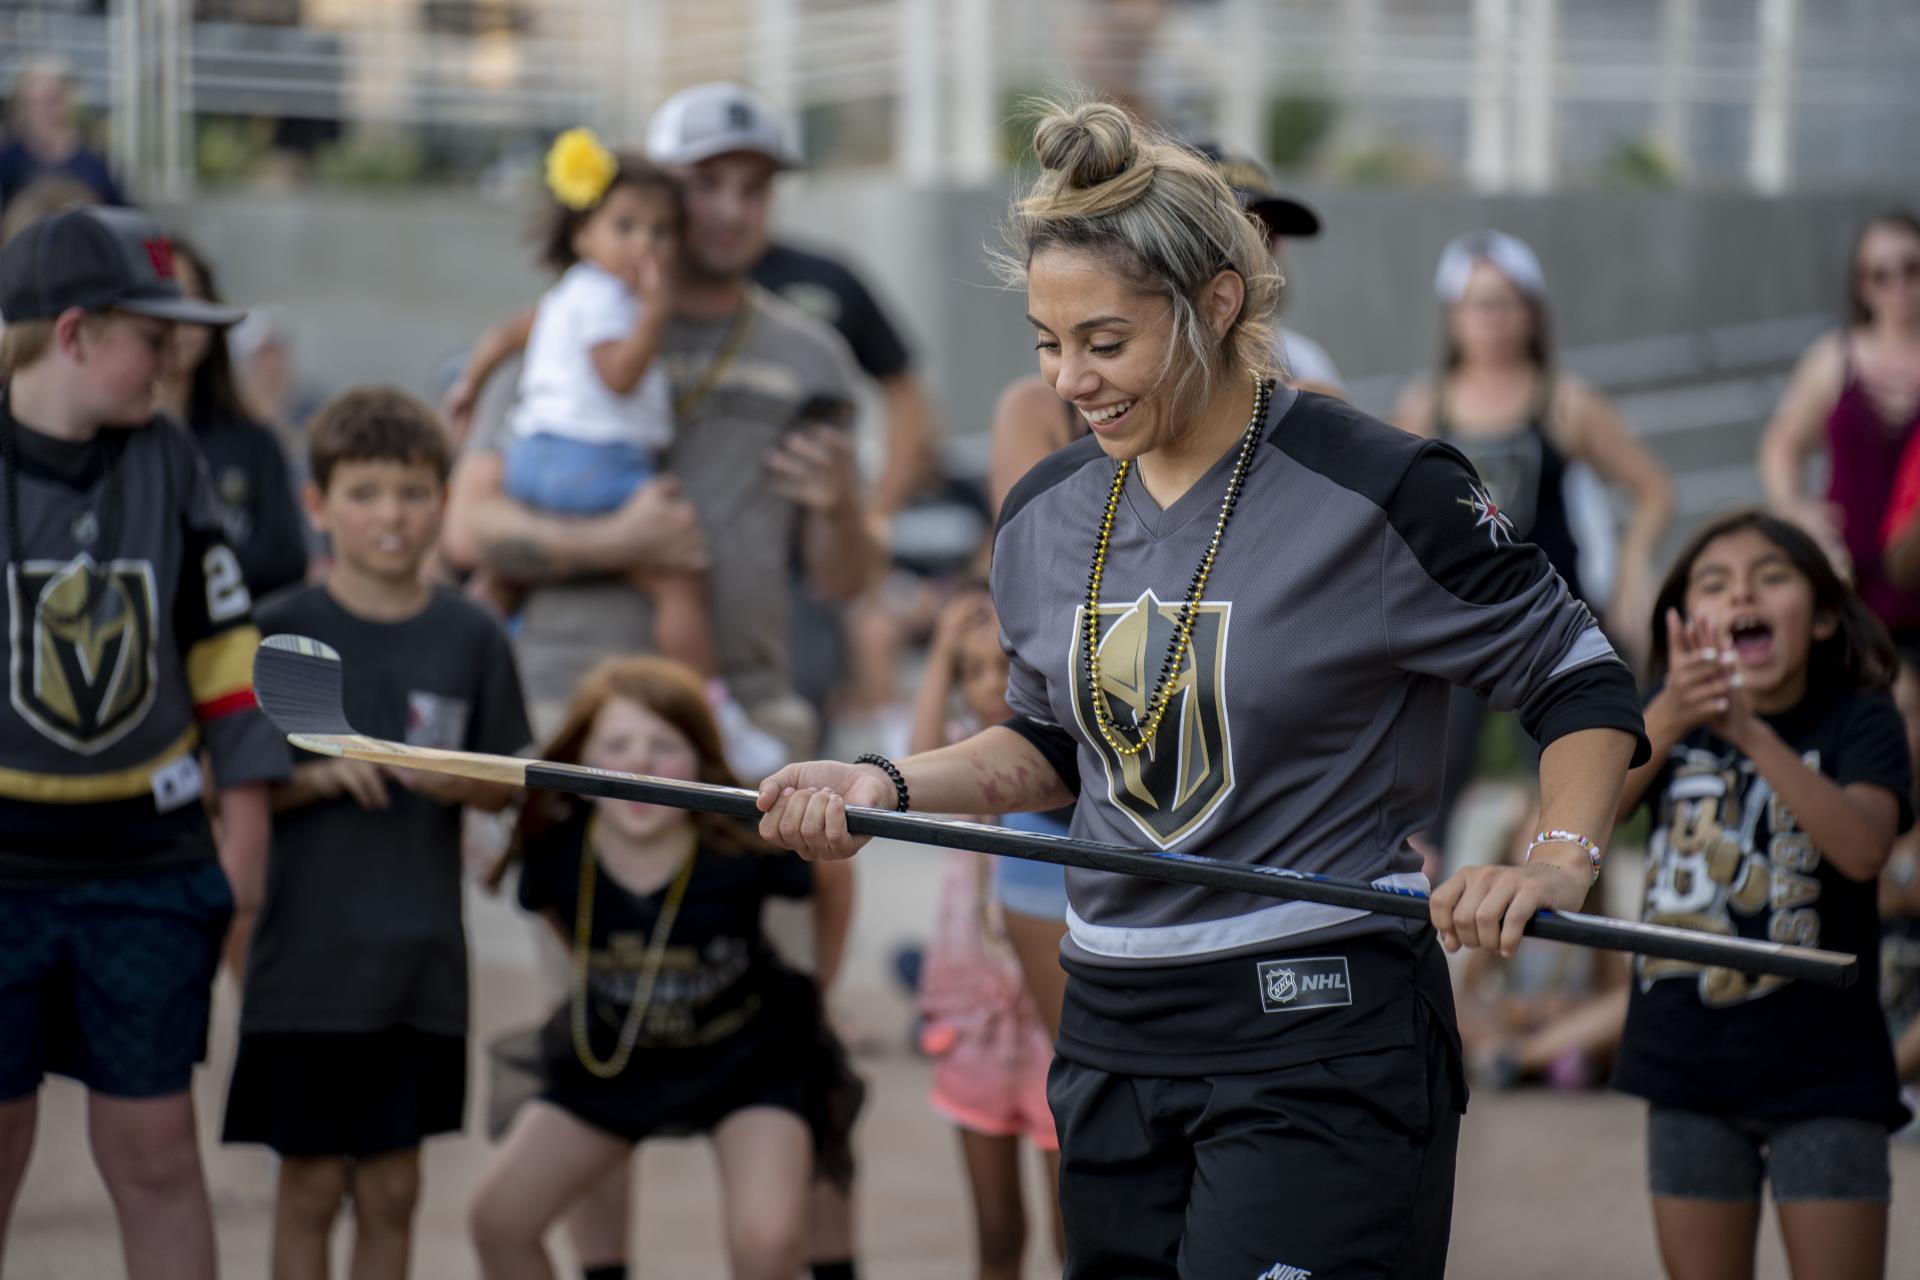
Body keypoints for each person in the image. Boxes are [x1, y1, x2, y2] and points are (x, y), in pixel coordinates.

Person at [754, 98, 1647, 1278]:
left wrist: (1555, 858)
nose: (1070, 379)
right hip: (1112, 1033)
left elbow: (1578, 677)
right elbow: (1051, 744)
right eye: (1045, 342)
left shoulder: (1383, 485)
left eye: (1105, 342)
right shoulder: (1040, 513)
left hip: (1320, 1031)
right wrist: (879, 781)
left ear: (1217, 302)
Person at [441, 86, 881, 1280]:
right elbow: (469, 521)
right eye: (707, 183)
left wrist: (839, 502)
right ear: (641, 195)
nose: (731, 209)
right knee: (595, 1031)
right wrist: (620, 540)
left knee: (792, 1020)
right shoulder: (561, 319)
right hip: (577, 725)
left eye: (757, 184)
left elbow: (848, 574)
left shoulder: (805, 348)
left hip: (751, 727)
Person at [0, 205, 288, 1278]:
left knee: (157, 1148)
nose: (172, 362)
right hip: (7, 860)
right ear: (74, 334)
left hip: (144, 860)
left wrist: (243, 833)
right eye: (153, 339)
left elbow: (225, 656)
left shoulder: (168, 455)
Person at [221, 387, 531, 1280]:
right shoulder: (279, 631)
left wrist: (462, 780)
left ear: (444, 500)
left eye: (412, 491)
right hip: (305, 963)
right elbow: (222, 786)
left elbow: (510, 781)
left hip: (420, 962)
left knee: (395, 1187)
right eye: (363, 493)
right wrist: (311, 777)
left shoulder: (470, 632)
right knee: (310, 1184)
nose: (390, 515)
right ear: (317, 505)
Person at [468, 656, 857, 1280]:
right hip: (614, 1057)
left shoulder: (740, 841)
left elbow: (834, 876)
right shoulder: (557, 849)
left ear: (701, 759)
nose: (640, 764)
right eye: (617, 744)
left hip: (749, 1060)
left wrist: (824, 984)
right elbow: (560, 921)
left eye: (662, 745)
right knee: (498, 1221)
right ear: (582, 759)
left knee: (768, 1244)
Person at [1612, 510, 1914, 1280]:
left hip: (1827, 1075)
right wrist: (1674, 715)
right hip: (1685, 1066)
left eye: (1771, 576)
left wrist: (1751, 735)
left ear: (1818, 618)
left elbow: (1862, 847)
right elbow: (1591, 813)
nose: (1741, 589)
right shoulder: (1665, 720)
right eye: (1714, 583)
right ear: (1689, 623)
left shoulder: (1862, 717)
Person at [1393, 229, 1673, 849]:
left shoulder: (1566, 401)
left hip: (1549, 620)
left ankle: (1586, 927)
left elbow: (1652, 487)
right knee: (1425, 798)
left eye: (1504, 302)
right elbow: (1392, 516)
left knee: (1571, 802)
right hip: (1455, 623)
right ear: (1452, 315)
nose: (1490, 319)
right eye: (1476, 303)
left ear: (1532, 311)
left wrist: (1631, 568)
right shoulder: (1424, 404)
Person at [478, 128, 717, 690]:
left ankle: (460, 669)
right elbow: (619, 374)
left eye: (662, 231)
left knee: (501, 576)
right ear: (582, 233)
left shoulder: (567, 292)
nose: (646, 245)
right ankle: (713, 704)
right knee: (678, 574)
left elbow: (506, 333)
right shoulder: (615, 300)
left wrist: (468, 383)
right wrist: (656, 313)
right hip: (596, 463)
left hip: (532, 458)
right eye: (626, 226)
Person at [908, 590, 1063, 1279]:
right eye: (969, 671)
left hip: (1055, 1035)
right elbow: (908, 773)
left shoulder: (1066, 786)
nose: (990, 685)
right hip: (978, 1031)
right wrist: (939, 655)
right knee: (997, 1235)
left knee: (1075, 1236)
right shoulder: (960, 787)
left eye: (1004, 664)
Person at [1760, 210, 1920, 676]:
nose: (1898, 286)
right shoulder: (1834, 358)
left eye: (1911, 268)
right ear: (1862, 285)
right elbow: (1782, 444)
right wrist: (1793, 509)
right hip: (1850, 579)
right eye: (1880, 274)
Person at [154, 235, 309, 600]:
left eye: (194, 297)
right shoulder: (101, 439)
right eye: (164, 297)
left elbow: (286, 560)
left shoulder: (253, 441)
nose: (181, 318)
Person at [1193, 141, 1344, 398]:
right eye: (1238, 235)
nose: (1260, 257)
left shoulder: (1305, 363)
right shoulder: (1138, 371)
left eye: (1268, 237)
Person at [0, 59, 125, 215]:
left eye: (54, 100)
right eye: (37, 102)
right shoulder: (8, 160)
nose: (45, 111)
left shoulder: (94, 161)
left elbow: (120, 212)